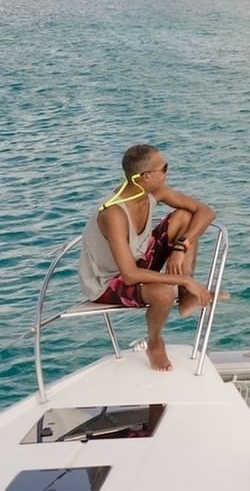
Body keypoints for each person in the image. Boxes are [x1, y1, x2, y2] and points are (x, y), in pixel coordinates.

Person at [78, 144, 216, 371]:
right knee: (162, 293)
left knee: (184, 217)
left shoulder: (154, 192)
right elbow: (130, 275)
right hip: (109, 280)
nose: (167, 172)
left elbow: (205, 212)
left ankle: (185, 297)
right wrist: (184, 279)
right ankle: (154, 342)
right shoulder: (114, 213)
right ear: (146, 176)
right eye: (165, 168)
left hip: (137, 259)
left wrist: (181, 247)